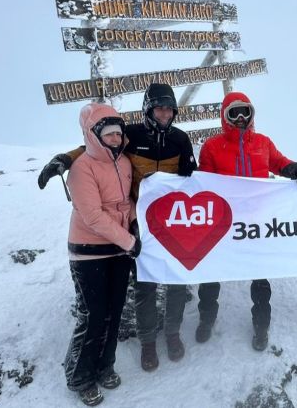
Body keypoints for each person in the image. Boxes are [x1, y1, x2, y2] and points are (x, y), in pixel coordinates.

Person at [38, 83, 206, 372]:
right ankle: (148, 343)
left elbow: (192, 179)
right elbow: (98, 143)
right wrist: (67, 158)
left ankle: (173, 333)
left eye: (169, 108)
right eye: (159, 108)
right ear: (148, 109)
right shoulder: (132, 136)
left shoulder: (180, 140)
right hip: (140, 223)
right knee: (145, 286)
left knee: (177, 283)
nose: (165, 113)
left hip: (174, 223)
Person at [198, 91, 297, 351]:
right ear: (225, 116)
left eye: (245, 112)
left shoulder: (262, 142)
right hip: (223, 222)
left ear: (251, 115)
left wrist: (295, 169)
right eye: (234, 113)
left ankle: (261, 325)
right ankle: (206, 318)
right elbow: (204, 182)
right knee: (211, 272)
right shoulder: (212, 147)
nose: (240, 118)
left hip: (257, 222)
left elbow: (278, 162)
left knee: (260, 274)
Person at [63, 103, 140, 406]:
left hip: (119, 249)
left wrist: (133, 221)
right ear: (93, 135)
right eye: (107, 134)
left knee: (115, 311)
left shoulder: (123, 163)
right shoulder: (82, 168)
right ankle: (80, 376)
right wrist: (129, 241)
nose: (115, 139)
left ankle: (105, 365)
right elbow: (93, 215)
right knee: (93, 315)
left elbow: (126, 201)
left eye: (117, 134)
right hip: (89, 252)